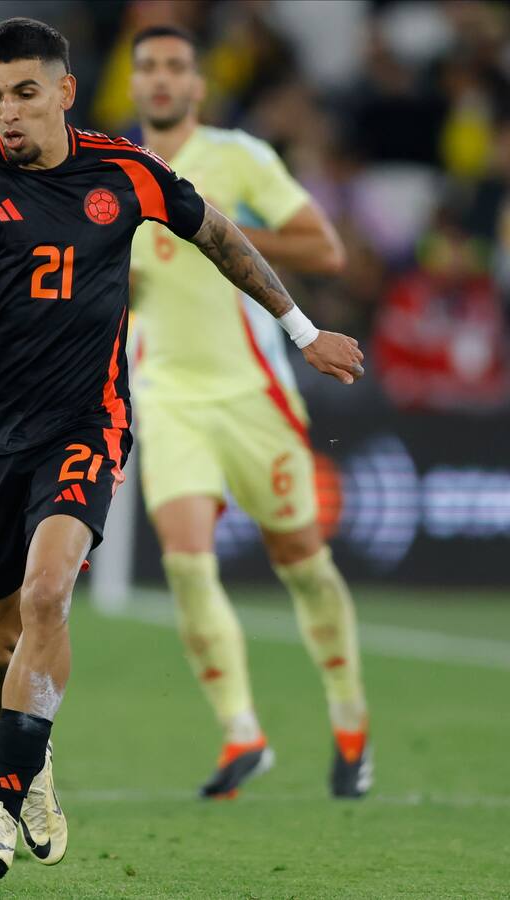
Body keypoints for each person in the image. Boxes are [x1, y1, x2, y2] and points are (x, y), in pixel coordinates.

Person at [0, 17, 365, 880]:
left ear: (63, 91)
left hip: (88, 425)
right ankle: (34, 763)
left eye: (23, 93)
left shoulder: (124, 171)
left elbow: (220, 237)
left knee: (48, 594)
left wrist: (303, 331)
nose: (7, 113)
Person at [128, 25, 372, 799]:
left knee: (302, 562)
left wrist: (218, 229)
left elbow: (325, 249)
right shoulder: (112, 172)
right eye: (148, 67)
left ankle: (350, 717)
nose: (161, 79)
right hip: (167, 393)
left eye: (175, 66)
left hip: (251, 393)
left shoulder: (238, 157)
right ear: (132, 84)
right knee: (185, 559)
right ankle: (242, 732)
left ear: (198, 85)